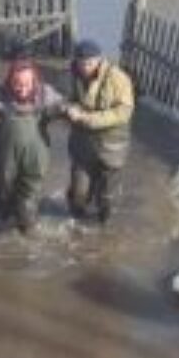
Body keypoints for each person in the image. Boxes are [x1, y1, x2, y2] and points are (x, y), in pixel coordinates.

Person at [0, 55, 66, 235]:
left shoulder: (45, 94)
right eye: (17, 84)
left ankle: (27, 239)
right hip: (3, 160)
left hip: (34, 159)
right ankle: (5, 243)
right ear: (10, 81)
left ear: (34, 81)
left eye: (27, 84)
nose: (22, 89)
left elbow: (62, 106)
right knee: (4, 203)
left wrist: (66, 111)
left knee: (27, 207)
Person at [64, 39, 135, 224]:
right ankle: (77, 225)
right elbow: (70, 98)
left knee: (106, 198)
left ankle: (105, 229)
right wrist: (70, 108)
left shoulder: (118, 78)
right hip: (83, 144)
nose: (85, 67)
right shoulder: (73, 74)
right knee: (78, 193)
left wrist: (88, 119)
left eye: (89, 62)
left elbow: (124, 112)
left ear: (99, 60)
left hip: (111, 145)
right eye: (81, 63)